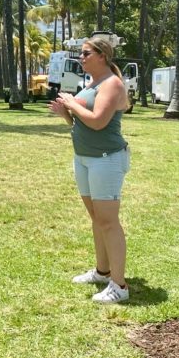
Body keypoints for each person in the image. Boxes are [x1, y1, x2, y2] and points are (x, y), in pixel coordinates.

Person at [51, 36, 132, 304]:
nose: (81, 58)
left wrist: (72, 103)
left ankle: (119, 285)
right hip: (85, 158)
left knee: (108, 221)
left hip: (106, 159)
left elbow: (98, 122)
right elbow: (81, 123)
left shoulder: (112, 84)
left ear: (102, 55)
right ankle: (102, 271)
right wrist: (66, 113)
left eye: (86, 53)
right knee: (97, 219)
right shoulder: (93, 83)